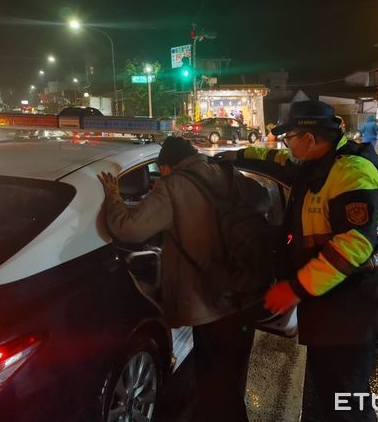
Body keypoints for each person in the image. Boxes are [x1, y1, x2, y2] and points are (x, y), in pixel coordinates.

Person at [226, 101, 378, 422]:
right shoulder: (314, 164)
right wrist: (235, 156)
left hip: (354, 306)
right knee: (330, 390)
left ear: (308, 138)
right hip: (330, 304)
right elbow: (275, 160)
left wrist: (295, 288)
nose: (285, 145)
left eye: (289, 137)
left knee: (347, 398)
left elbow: (354, 246)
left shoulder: (351, 174)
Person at [97, 136, 270, 422]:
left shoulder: (172, 185)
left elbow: (130, 230)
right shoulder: (226, 172)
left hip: (211, 301)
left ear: (165, 167)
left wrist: (114, 197)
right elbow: (262, 200)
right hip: (245, 291)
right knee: (234, 377)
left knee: (213, 384)